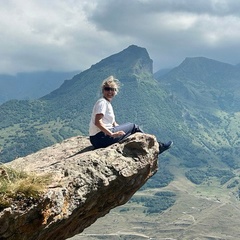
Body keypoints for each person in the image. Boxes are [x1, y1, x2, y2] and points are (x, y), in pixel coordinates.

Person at [89, 76, 173, 154]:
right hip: (101, 137)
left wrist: (122, 131)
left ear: (115, 91)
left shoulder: (106, 103)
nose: (110, 92)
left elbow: (113, 123)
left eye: (112, 89)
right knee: (133, 126)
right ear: (103, 90)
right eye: (107, 89)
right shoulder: (102, 102)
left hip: (97, 140)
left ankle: (147, 146)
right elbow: (98, 122)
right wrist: (112, 134)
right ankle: (157, 146)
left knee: (129, 130)